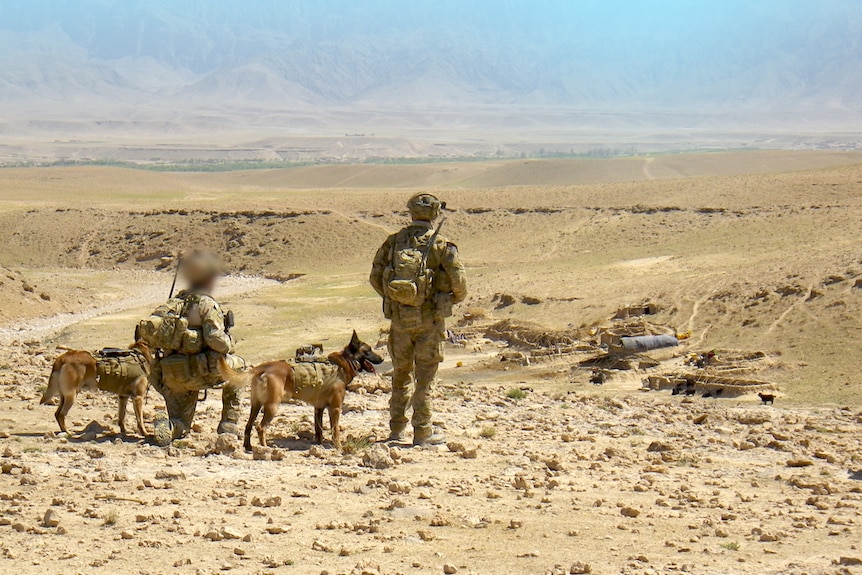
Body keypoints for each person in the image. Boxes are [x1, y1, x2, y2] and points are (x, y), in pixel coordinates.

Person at [370, 193, 467, 446]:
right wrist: (445, 300)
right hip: (430, 322)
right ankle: (422, 431)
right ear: (434, 214)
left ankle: (396, 430)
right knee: (425, 377)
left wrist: (396, 299)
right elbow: (459, 283)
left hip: (400, 321)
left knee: (401, 374)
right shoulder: (442, 245)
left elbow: (375, 276)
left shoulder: (394, 242)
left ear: (411, 212)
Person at [148, 251, 245, 447]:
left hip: (172, 375)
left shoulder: (172, 304)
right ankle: (228, 426)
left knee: (182, 424)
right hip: (202, 372)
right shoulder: (206, 304)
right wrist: (230, 343)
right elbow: (216, 339)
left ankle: (170, 427)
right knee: (239, 367)